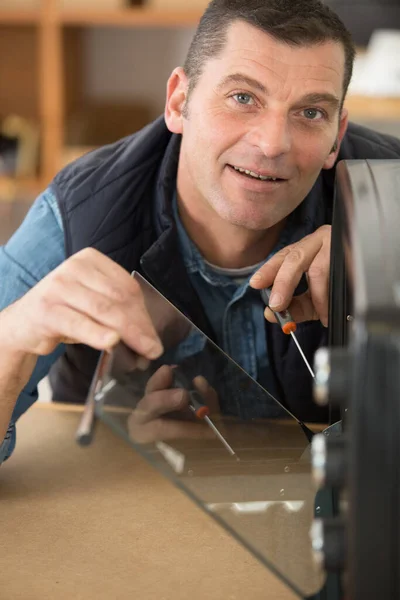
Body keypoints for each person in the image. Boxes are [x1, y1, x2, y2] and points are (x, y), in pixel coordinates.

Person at [1, 0, 400, 464]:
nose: (272, 143)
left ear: (337, 135)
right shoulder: (77, 211)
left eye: (310, 113)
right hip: (127, 499)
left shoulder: (390, 190)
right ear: (178, 101)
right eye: (243, 98)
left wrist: (387, 261)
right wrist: (11, 338)